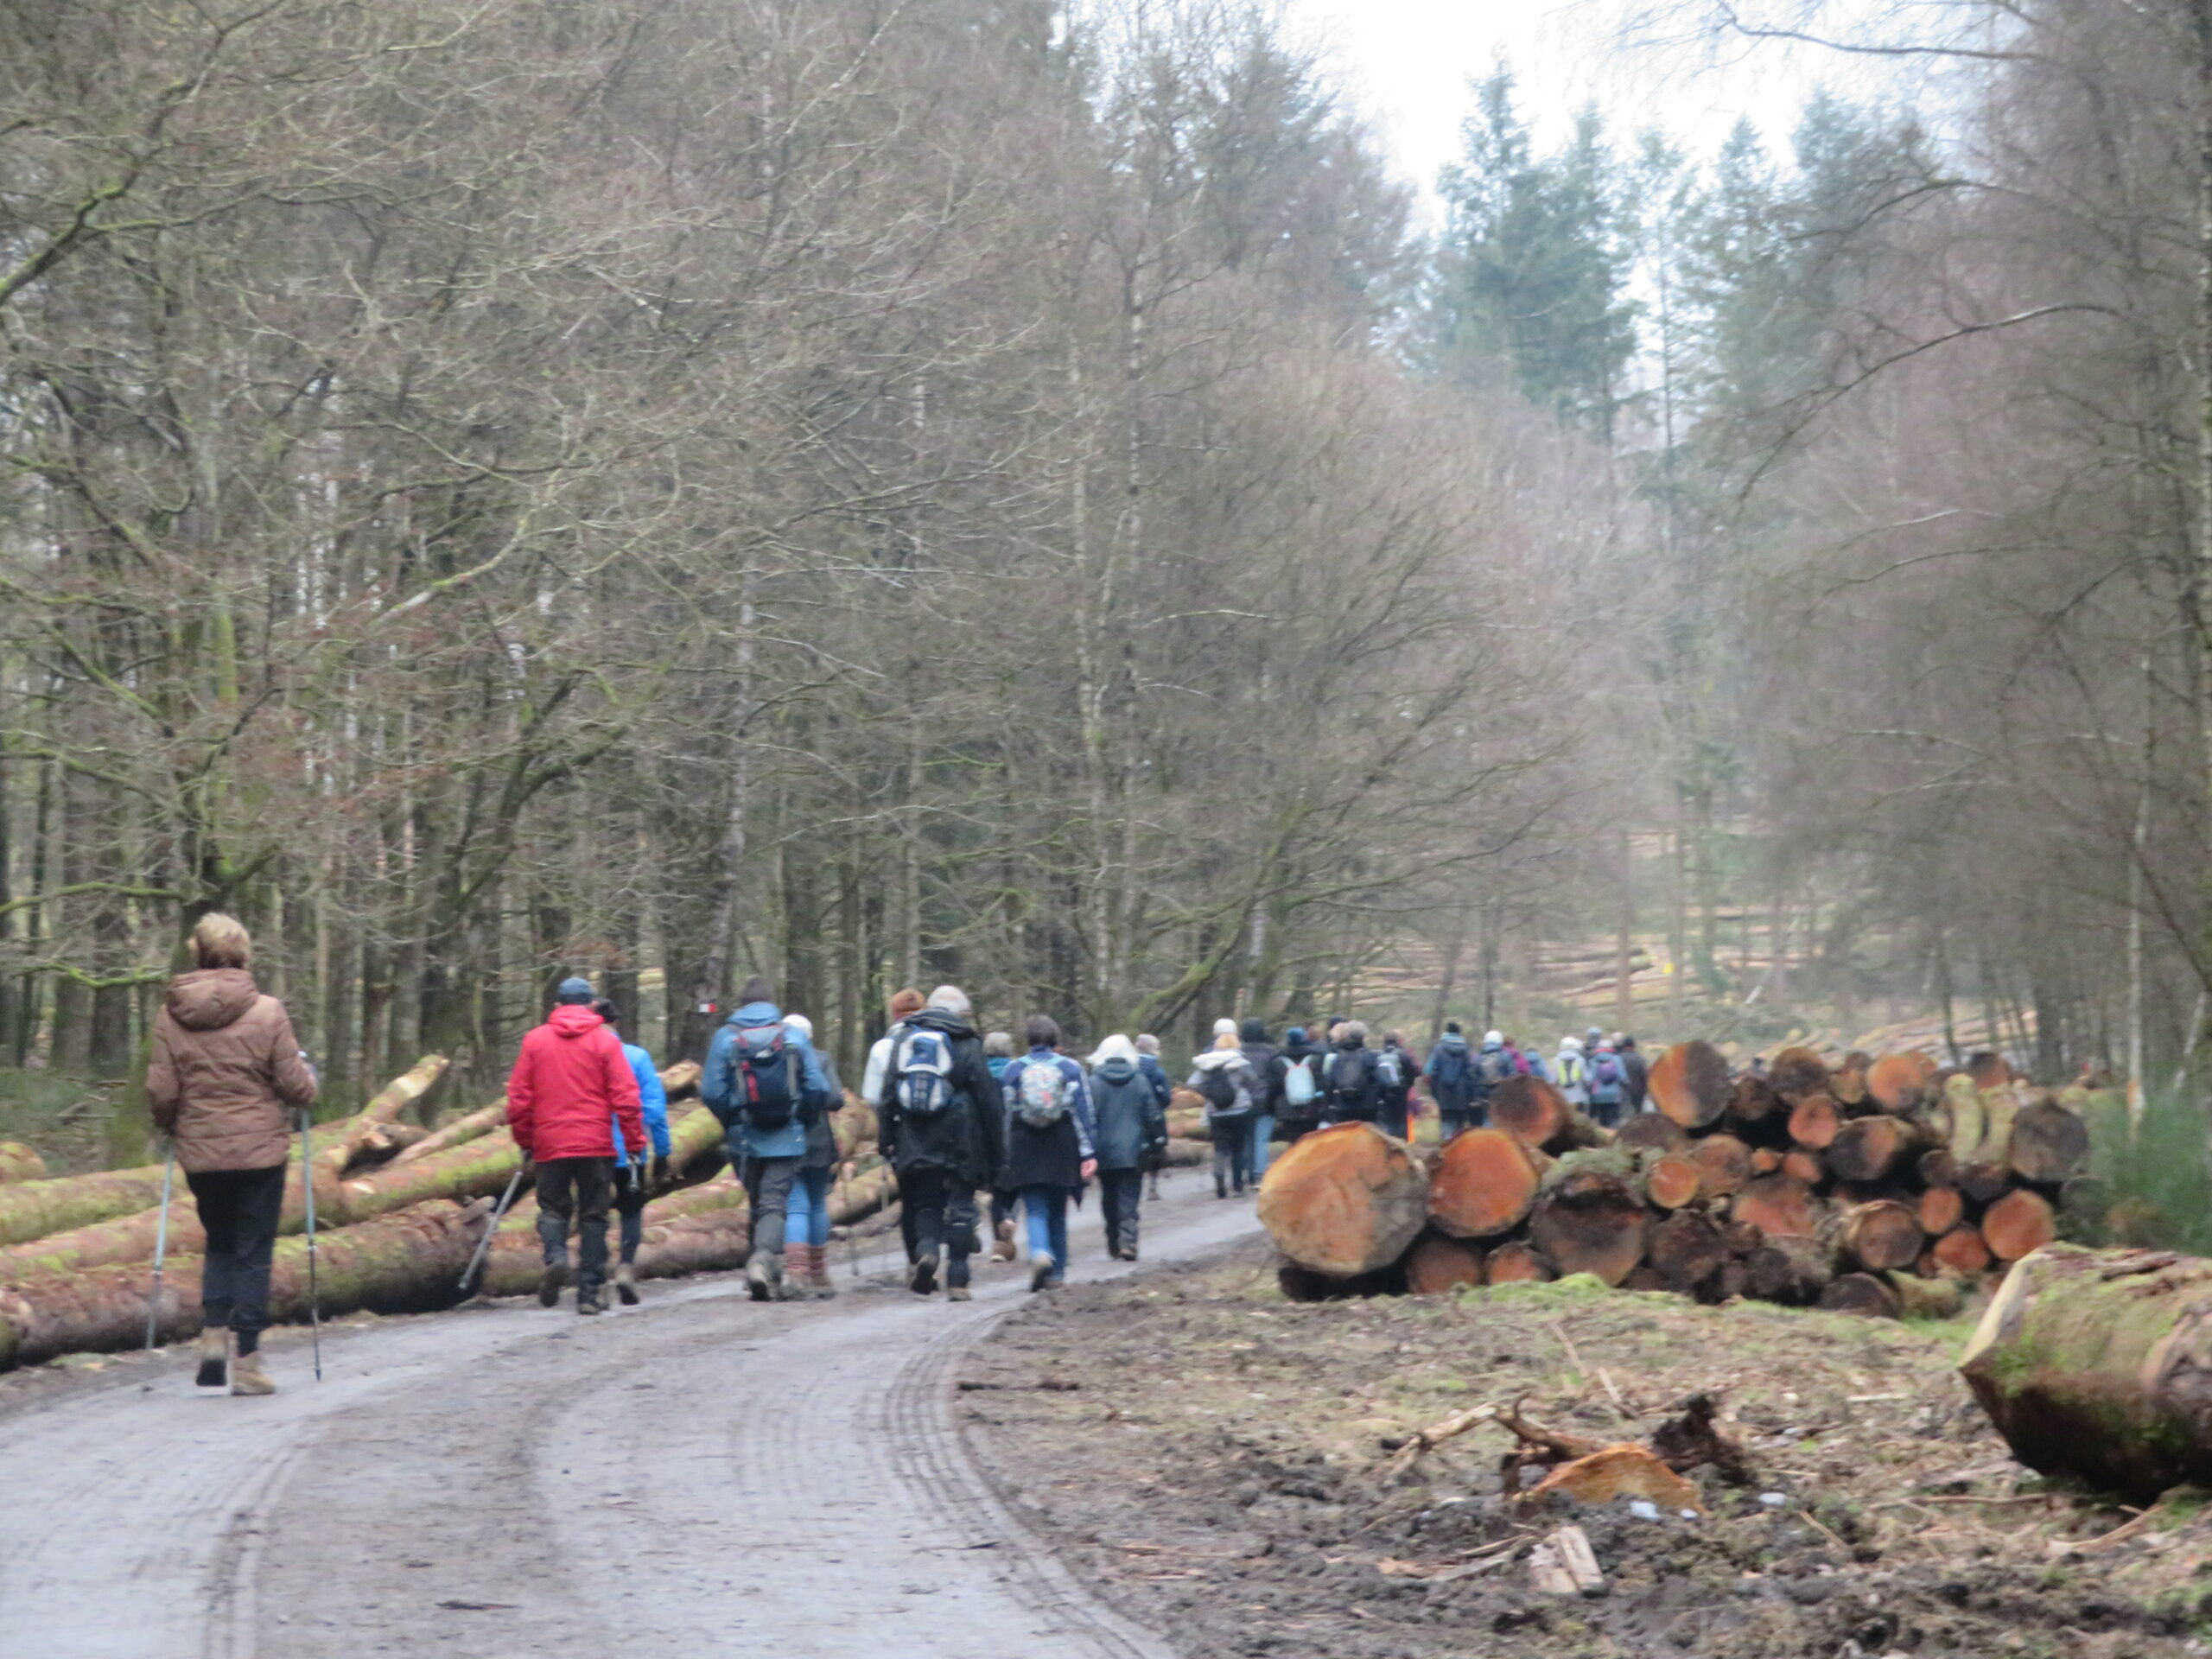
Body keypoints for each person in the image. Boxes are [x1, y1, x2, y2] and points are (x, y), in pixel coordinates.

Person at [145, 912, 319, 1396]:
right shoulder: (268, 1011)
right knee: (253, 1253)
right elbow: (296, 1088)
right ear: (243, 954)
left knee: (219, 1243)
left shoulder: (171, 1015)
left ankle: (213, 1342)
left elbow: (161, 1091)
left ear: (198, 952)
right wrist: (310, 1082)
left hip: (202, 1153)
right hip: (260, 1153)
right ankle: (248, 1362)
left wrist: (172, 1125)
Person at [510, 976, 645, 1317]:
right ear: (591, 1005)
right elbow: (627, 1098)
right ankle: (589, 1294)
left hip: (550, 1142)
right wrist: (634, 1143)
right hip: (596, 1143)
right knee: (594, 1217)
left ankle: (556, 1257)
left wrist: (526, 1139)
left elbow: (519, 1099)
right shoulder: (606, 1042)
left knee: (553, 1210)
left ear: (557, 1005)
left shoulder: (535, 1041)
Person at [702, 975, 833, 1302]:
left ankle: (759, 1269)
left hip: (744, 1136)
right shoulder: (791, 1035)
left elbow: (712, 1092)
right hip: (787, 1136)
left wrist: (732, 1119)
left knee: (758, 1200)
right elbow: (818, 1086)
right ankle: (762, 1262)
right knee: (774, 1203)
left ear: (742, 1004)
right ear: (771, 1002)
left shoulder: (726, 1037)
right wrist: (801, 1116)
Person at [876, 985, 1004, 1300]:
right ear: (961, 1013)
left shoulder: (907, 1037)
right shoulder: (968, 1041)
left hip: (915, 1135)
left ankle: (928, 1252)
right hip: (962, 1135)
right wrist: (997, 1148)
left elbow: (889, 1092)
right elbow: (987, 1098)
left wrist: (886, 1139)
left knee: (926, 1204)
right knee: (961, 1206)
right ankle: (958, 1279)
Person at [1000, 1014, 1096, 1290]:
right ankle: (1057, 1273)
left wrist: (1004, 1154)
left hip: (1025, 1145)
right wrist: (1089, 1153)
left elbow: (1005, 1116)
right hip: (1062, 1144)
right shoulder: (1071, 1068)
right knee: (1058, 1210)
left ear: (1028, 1040)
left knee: (1035, 1209)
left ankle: (1040, 1253)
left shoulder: (1012, 1070)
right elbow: (1084, 1113)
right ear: (1055, 1040)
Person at [591, 999, 672, 1306]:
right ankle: (625, 1266)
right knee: (631, 1211)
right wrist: (662, 1151)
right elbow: (655, 1109)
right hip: (631, 1149)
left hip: (592, 1149)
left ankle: (597, 1278)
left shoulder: (583, 1057)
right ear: (615, 1023)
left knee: (593, 1214)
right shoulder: (637, 1057)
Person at [780, 1013, 842, 1299]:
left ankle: (796, 1273)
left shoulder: (773, 1060)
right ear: (810, 1037)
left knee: (795, 1206)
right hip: (817, 1140)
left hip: (783, 1140)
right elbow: (835, 1099)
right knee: (816, 1204)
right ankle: (818, 1274)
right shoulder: (821, 1058)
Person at [1086, 1033, 1166, 1259]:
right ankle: (1128, 1241)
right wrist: (1159, 1141)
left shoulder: (1093, 1083)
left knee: (1109, 1195)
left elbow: (1087, 1118)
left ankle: (1113, 1241)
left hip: (1103, 1151)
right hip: (1134, 1149)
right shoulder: (1139, 1080)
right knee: (1129, 1195)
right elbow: (1152, 1115)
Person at [1189, 1019, 1259, 1197]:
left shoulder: (1206, 1062)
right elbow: (1253, 1080)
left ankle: (1219, 1177)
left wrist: (1209, 1093)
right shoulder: (1240, 1061)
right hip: (1240, 1110)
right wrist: (1242, 1091)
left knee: (1220, 1147)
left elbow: (1193, 1083)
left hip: (1216, 1111)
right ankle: (1237, 1186)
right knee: (1238, 1148)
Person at [984, 1029, 1020, 1258]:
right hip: (1015, 1136)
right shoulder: (1017, 1070)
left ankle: (999, 1242)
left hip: (988, 1141)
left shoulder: (980, 1073)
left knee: (996, 1190)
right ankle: (1010, 1220)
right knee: (1015, 1187)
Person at [861, 987, 927, 1108]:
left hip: (896, 1116)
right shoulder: (941, 1042)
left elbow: (871, 1096)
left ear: (895, 1014)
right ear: (925, 1011)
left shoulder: (882, 1047)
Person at [1239, 1017, 1281, 1181]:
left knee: (1245, 1138)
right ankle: (1259, 1173)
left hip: (1242, 1100)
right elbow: (1276, 1076)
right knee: (1261, 1140)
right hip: (1266, 1099)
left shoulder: (1238, 1051)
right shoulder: (1271, 1052)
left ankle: (1245, 1170)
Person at [1135, 1033, 1174, 1200]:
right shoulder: (1158, 1072)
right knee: (1156, 1149)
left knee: (1137, 1151)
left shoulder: (1131, 1069)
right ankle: (1153, 1186)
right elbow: (1166, 1098)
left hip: (1134, 1116)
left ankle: (1135, 1188)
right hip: (1155, 1116)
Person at [1273, 1024, 1325, 1144]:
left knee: (1294, 1143)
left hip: (1287, 1110)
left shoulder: (1278, 1061)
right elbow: (1321, 1085)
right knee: (1311, 1142)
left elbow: (1275, 1088)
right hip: (1311, 1109)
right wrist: (1321, 1106)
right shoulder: (1316, 1058)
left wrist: (1273, 1108)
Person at [1423, 1020, 1476, 1140]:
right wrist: (1471, 1094)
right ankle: (1459, 1146)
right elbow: (1470, 1072)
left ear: (1447, 1032)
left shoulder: (1438, 1049)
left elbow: (1432, 1071)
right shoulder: (1466, 1050)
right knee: (1460, 1123)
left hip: (1443, 1091)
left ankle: (1447, 1146)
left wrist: (1434, 1090)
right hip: (1462, 1093)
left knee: (1446, 1120)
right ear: (1459, 1033)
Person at [1323, 1019, 1382, 1125]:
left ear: (1347, 1035)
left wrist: (1330, 1104)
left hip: (1343, 1106)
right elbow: (1379, 1080)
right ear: (1363, 1036)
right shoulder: (1370, 1056)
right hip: (1368, 1106)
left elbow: (1329, 1083)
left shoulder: (1338, 1057)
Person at [1469, 1028, 1517, 1126]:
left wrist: (1475, 1096)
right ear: (1500, 1042)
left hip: (1483, 1095)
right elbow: (1513, 1076)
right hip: (1502, 1093)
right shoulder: (1506, 1057)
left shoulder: (1478, 1058)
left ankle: (1487, 1133)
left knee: (1487, 1118)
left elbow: (1472, 1078)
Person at [1378, 1028, 1419, 1140]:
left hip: (1384, 1094)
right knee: (1401, 1121)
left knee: (1388, 1121)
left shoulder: (1379, 1055)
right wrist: (1407, 1086)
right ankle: (1402, 1143)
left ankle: (1390, 1142)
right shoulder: (1403, 1055)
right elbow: (1411, 1073)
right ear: (1397, 1041)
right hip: (1401, 1093)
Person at [1585, 1036, 1629, 1129]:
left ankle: (1604, 1134)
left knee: (1602, 1118)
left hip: (1598, 1095)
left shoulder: (1593, 1061)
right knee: (1614, 1117)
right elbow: (1623, 1078)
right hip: (1614, 1094)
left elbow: (1590, 1080)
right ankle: (1613, 1134)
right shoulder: (1617, 1059)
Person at [1554, 1034, 1590, 1109]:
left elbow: (1552, 1080)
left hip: (1562, 1099)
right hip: (1579, 1097)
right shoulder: (1580, 1060)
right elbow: (1587, 1078)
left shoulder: (1556, 1061)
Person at [1618, 1034, 1650, 1114]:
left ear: (1623, 1046)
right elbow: (1646, 1076)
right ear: (1634, 1046)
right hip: (1638, 1091)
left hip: (1622, 1091)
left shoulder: (1618, 1058)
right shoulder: (1640, 1059)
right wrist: (1646, 1090)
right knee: (1638, 1113)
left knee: (1623, 1114)